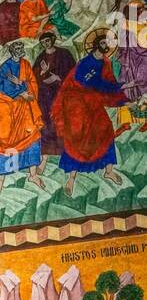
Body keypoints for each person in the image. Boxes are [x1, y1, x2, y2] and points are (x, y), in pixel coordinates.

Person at [52, 29, 127, 197]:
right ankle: (71, 178)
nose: (105, 46)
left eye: (108, 44)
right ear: (96, 44)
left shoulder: (106, 63)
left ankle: (109, 170)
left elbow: (109, 82)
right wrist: (120, 87)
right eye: (102, 43)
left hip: (93, 101)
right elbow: (92, 83)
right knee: (77, 136)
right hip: (77, 103)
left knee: (106, 130)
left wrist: (122, 94)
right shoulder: (85, 63)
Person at [0, 41, 44, 192]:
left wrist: (22, 85)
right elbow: (0, 88)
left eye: (21, 48)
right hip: (8, 108)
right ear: (12, 51)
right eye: (17, 48)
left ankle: (33, 175)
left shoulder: (26, 65)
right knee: (4, 142)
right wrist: (19, 91)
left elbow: (32, 83)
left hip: (24, 109)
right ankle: (0, 182)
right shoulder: (4, 67)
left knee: (33, 138)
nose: (20, 50)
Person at [32, 31, 75, 156]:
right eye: (42, 42)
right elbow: (34, 76)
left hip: (61, 93)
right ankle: (48, 150)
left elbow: (73, 71)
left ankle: (65, 149)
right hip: (45, 95)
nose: (45, 44)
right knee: (47, 120)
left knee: (62, 119)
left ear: (52, 39)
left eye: (47, 41)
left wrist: (59, 77)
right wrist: (43, 72)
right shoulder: (41, 57)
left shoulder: (64, 54)